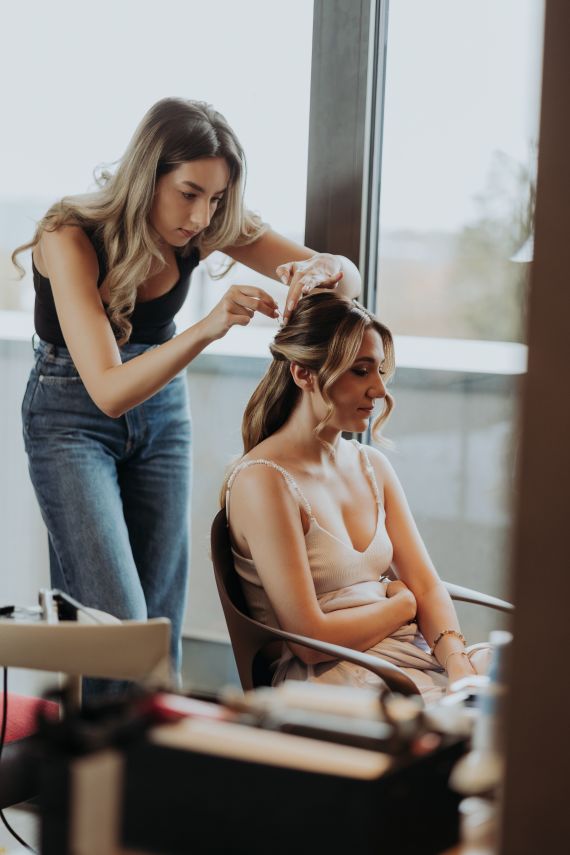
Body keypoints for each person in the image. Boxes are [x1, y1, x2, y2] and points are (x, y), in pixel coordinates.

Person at [12, 98, 361, 694]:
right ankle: (104, 777)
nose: (202, 217)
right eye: (189, 193)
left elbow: (345, 275)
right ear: (147, 177)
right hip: (71, 415)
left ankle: (150, 776)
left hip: (164, 413)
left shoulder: (203, 227)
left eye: (218, 199)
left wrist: (323, 271)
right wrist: (211, 325)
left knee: (160, 620)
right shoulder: (69, 236)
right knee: (119, 625)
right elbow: (109, 391)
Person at [224, 292, 491, 704]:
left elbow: (424, 583)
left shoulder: (371, 465)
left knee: (528, 683)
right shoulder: (263, 481)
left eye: (380, 370)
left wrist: (457, 664)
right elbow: (309, 642)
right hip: (333, 675)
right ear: (303, 374)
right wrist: (401, 607)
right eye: (361, 371)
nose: (380, 389)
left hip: (409, 653)